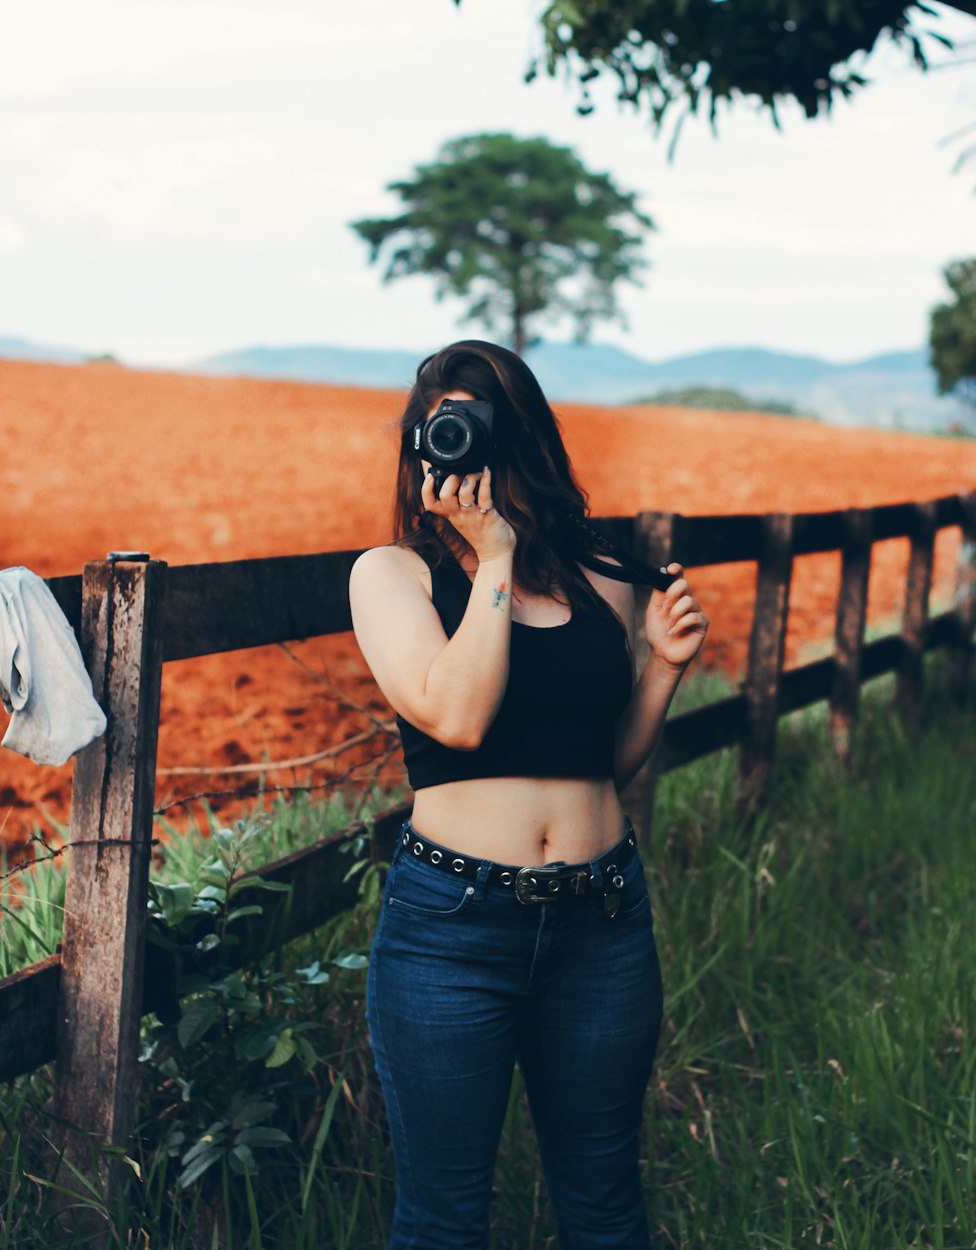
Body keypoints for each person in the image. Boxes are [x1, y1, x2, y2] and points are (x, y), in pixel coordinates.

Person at [349, 340, 708, 1250]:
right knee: (445, 1223)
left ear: (525, 434)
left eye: (479, 420)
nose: (459, 441)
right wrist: (493, 558)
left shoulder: (601, 578)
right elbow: (458, 718)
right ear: (421, 443)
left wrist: (662, 671)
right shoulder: (392, 576)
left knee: (605, 1208)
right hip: (452, 934)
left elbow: (605, 763)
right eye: (438, 426)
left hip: (604, 926)